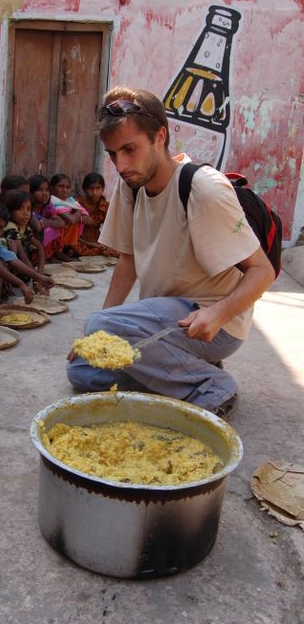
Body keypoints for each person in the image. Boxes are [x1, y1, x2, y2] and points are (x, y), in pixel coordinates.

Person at [67, 87, 275, 417]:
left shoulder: (202, 187)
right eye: (112, 154)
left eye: (129, 149)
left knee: (102, 327)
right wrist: (98, 335)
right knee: (82, 370)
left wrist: (217, 313)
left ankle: (212, 385)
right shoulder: (130, 184)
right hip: (167, 319)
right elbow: (128, 258)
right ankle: (184, 371)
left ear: (160, 136)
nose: (120, 165)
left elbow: (263, 272)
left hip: (211, 323)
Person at [2, 190, 51, 293]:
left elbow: (40, 247)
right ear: (10, 211)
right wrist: (37, 279)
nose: (26, 213)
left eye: (29, 209)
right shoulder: (10, 227)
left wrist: (39, 275)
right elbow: (22, 255)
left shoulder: (24, 227)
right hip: (9, 269)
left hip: (22, 268)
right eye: (20, 209)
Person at [75, 173, 119, 258]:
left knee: (115, 251)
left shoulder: (105, 206)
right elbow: (69, 230)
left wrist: (107, 244)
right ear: (84, 189)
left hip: (96, 241)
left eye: (98, 188)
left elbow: (112, 228)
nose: (94, 192)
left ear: (102, 189)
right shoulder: (77, 204)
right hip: (78, 240)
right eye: (91, 188)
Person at [49, 173, 90, 260]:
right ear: (52, 189)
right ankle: (57, 252)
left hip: (67, 240)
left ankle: (66, 248)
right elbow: (71, 220)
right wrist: (79, 211)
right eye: (60, 186)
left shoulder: (70, 200)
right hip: (53, 238)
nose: (64, 190)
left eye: (67, 187)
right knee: (64, 223)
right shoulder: (53, 202)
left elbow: (89, 219)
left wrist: (77, 216)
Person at [28, 174, 66, 259]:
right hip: (31, 241)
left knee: (55, 227)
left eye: (47, 190)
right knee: (43, 230)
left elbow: (62, 223)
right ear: (31, 192)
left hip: (42, 235)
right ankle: (41, 257)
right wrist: (45, 222)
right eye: (40, 190)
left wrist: (47, 222)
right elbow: (37, 227)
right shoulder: (28, 207)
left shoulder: (47, 206)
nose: (45, 193)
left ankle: (53, 254)